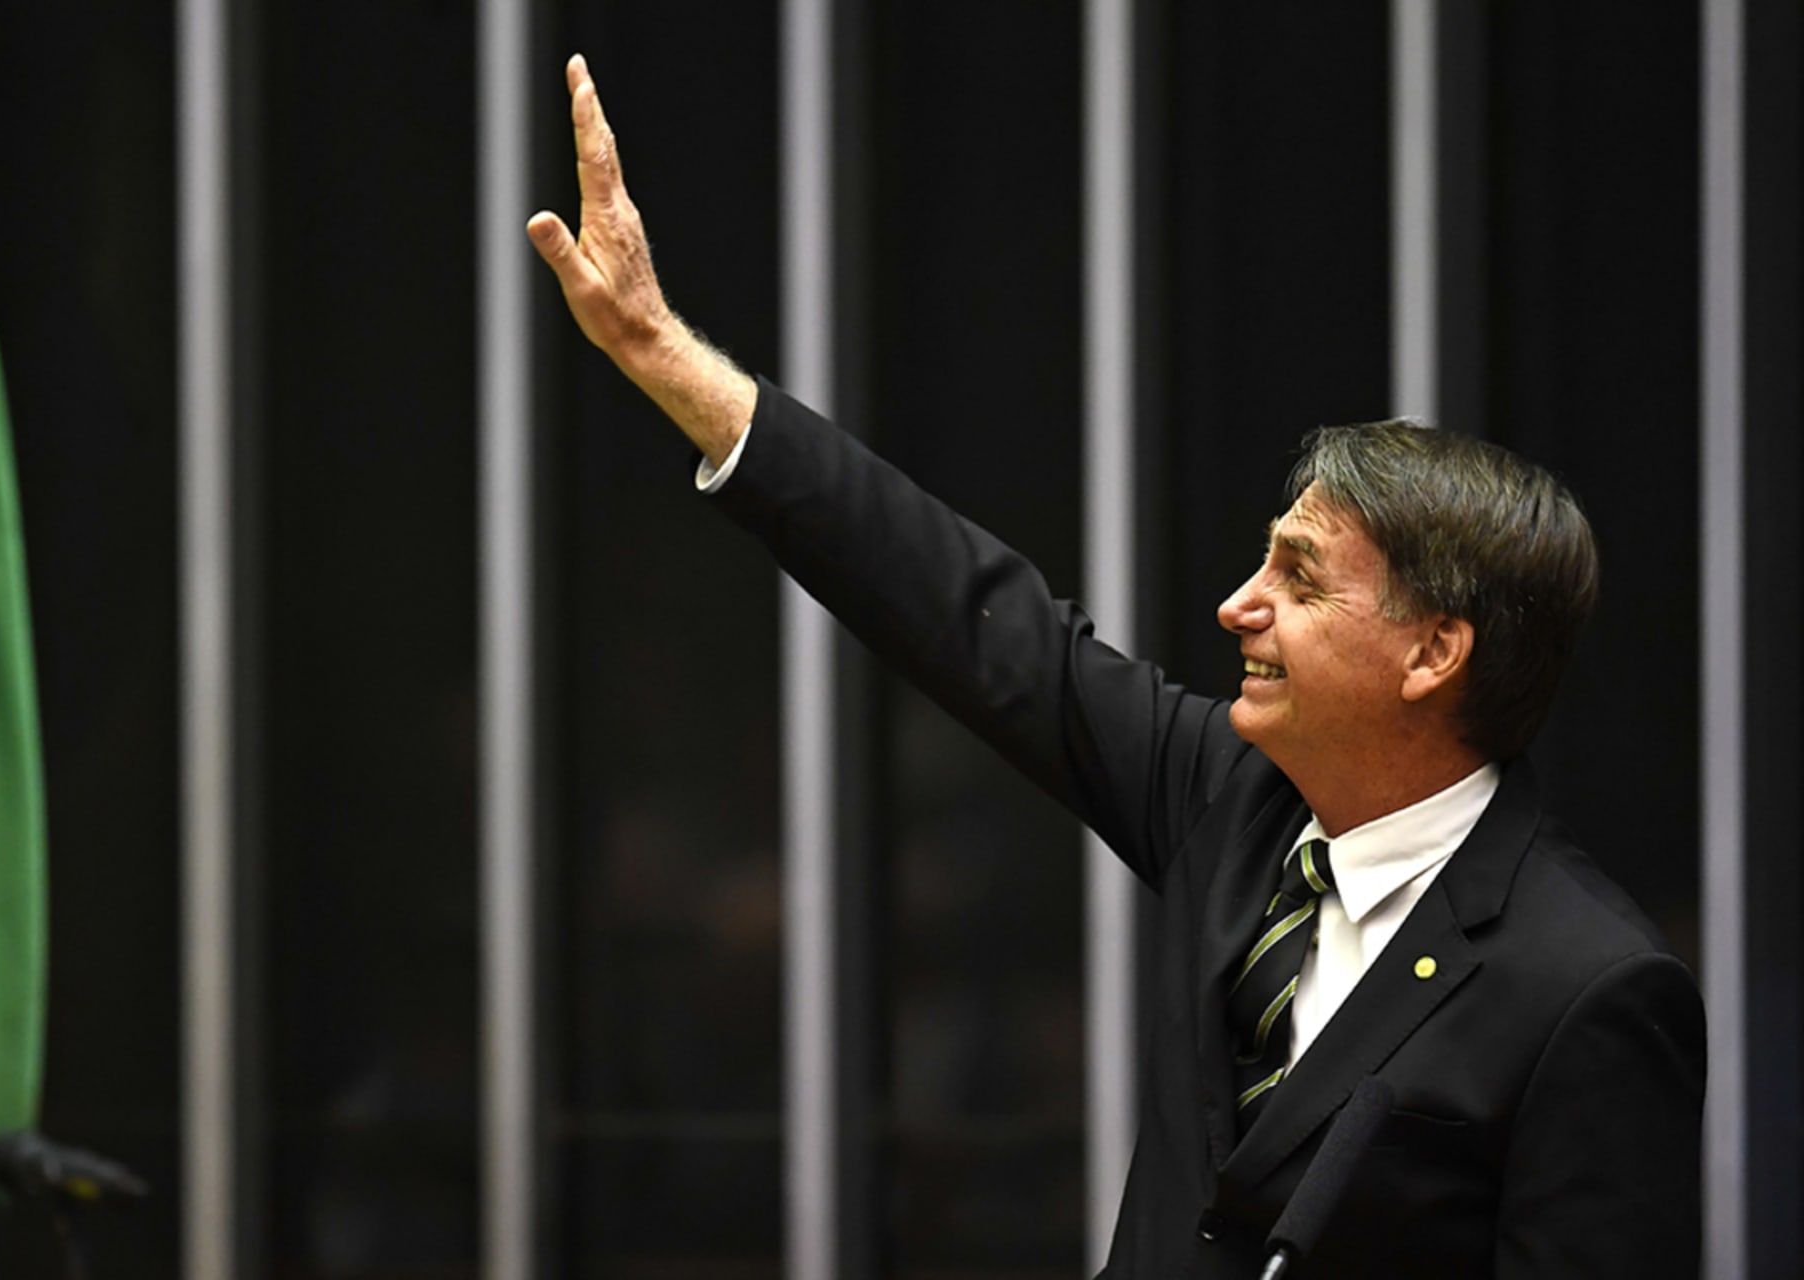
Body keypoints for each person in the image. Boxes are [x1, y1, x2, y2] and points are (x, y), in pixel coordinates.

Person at [527, 53, 1705, 1279]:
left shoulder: (1590, 985)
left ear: (1433, 651)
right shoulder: (1232, 801)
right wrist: (666, 357)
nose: (1236, 605)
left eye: (1299, 580)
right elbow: (958, 606)